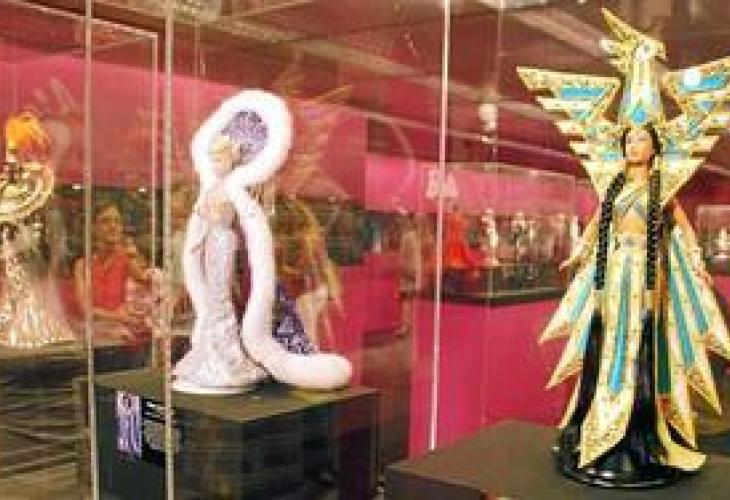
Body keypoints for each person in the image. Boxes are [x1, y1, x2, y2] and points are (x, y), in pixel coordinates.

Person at [548, 124, 730, 484]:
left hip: (647, 277)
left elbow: (685, 232)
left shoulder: (663, 191)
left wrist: (697, 264)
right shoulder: (614, 189)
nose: (633, 146)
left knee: (639, 342)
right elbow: (595, 227)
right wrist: (579, 254)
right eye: (628, 140)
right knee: (612, 339)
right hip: (616, 271)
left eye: (641, 139)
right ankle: (605, 416)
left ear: (655, 148)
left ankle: (639, 421)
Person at [73, 202, 150, 344]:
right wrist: (118, 317)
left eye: (117, 222)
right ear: (93, 228)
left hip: (125, 338)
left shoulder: (129, 259)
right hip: (94, 336)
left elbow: (146, 290)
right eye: (105, 221)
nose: (113, 226)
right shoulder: (82, 265)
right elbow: (86, 310)